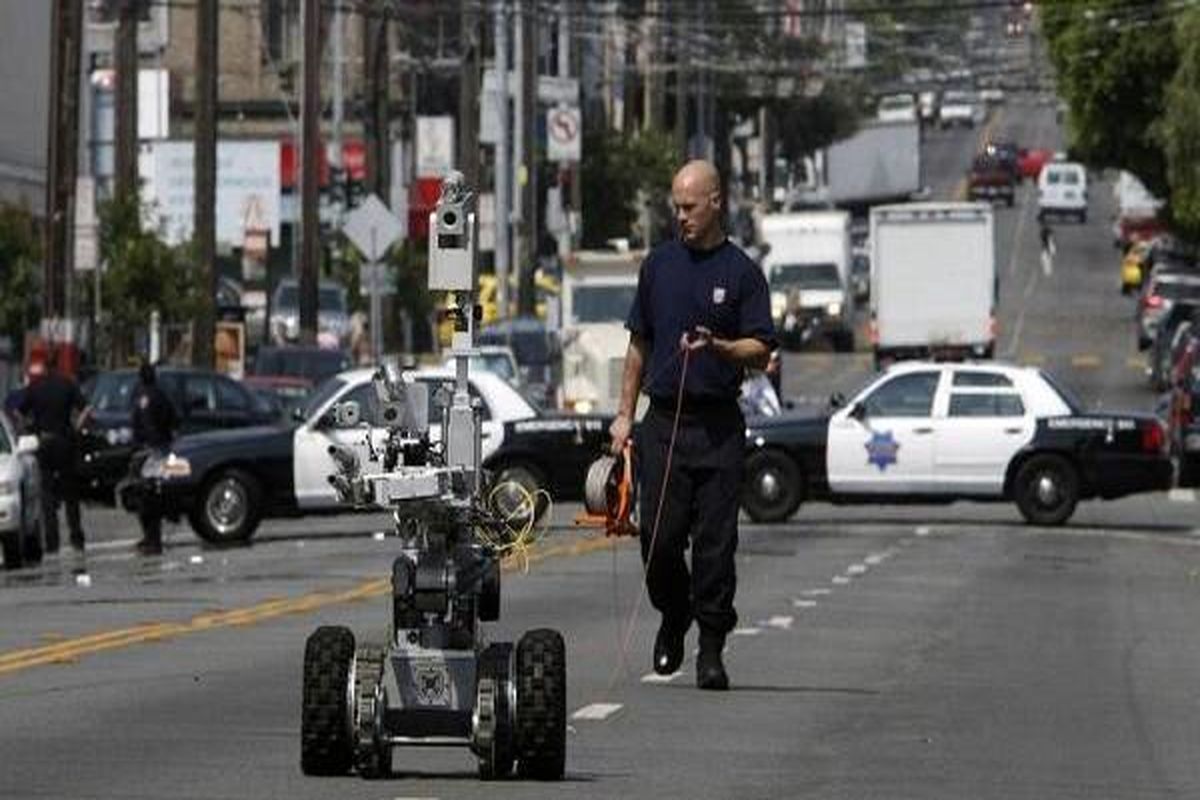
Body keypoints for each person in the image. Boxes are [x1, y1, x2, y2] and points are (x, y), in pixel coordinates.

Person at [609, 160, 777, 691]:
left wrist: (723, 347)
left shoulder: (742, 272)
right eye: (675, 207)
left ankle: (710, 645)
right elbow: (638, 345)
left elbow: (761, 347)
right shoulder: (658, 267)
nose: (680, 216)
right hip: (663, 426)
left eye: (689, 207)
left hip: (718, 426)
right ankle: (673, 612)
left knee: (714, 545)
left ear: (715, 202)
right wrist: (623, 413)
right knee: (658, 541)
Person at [17, 355, 89, 553]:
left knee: (47, 494)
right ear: (56, 366)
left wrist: (29, 428)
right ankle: (76, 538)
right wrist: (76, 426)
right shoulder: (67, 384)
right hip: (65, 441)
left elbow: (19, 412)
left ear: (44, 368)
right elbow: (86, 407)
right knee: (70, 493)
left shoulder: (36, 387)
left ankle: (52, 541)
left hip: (45, 442)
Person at [130, 361, 178, 556]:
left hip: (145, 450)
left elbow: (137, 423)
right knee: (152, 495)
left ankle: (152, 539)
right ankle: (152, 538)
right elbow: (173, 420)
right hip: (159, 448)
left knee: (145, 497)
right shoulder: (161, 396)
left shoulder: (140, 397)